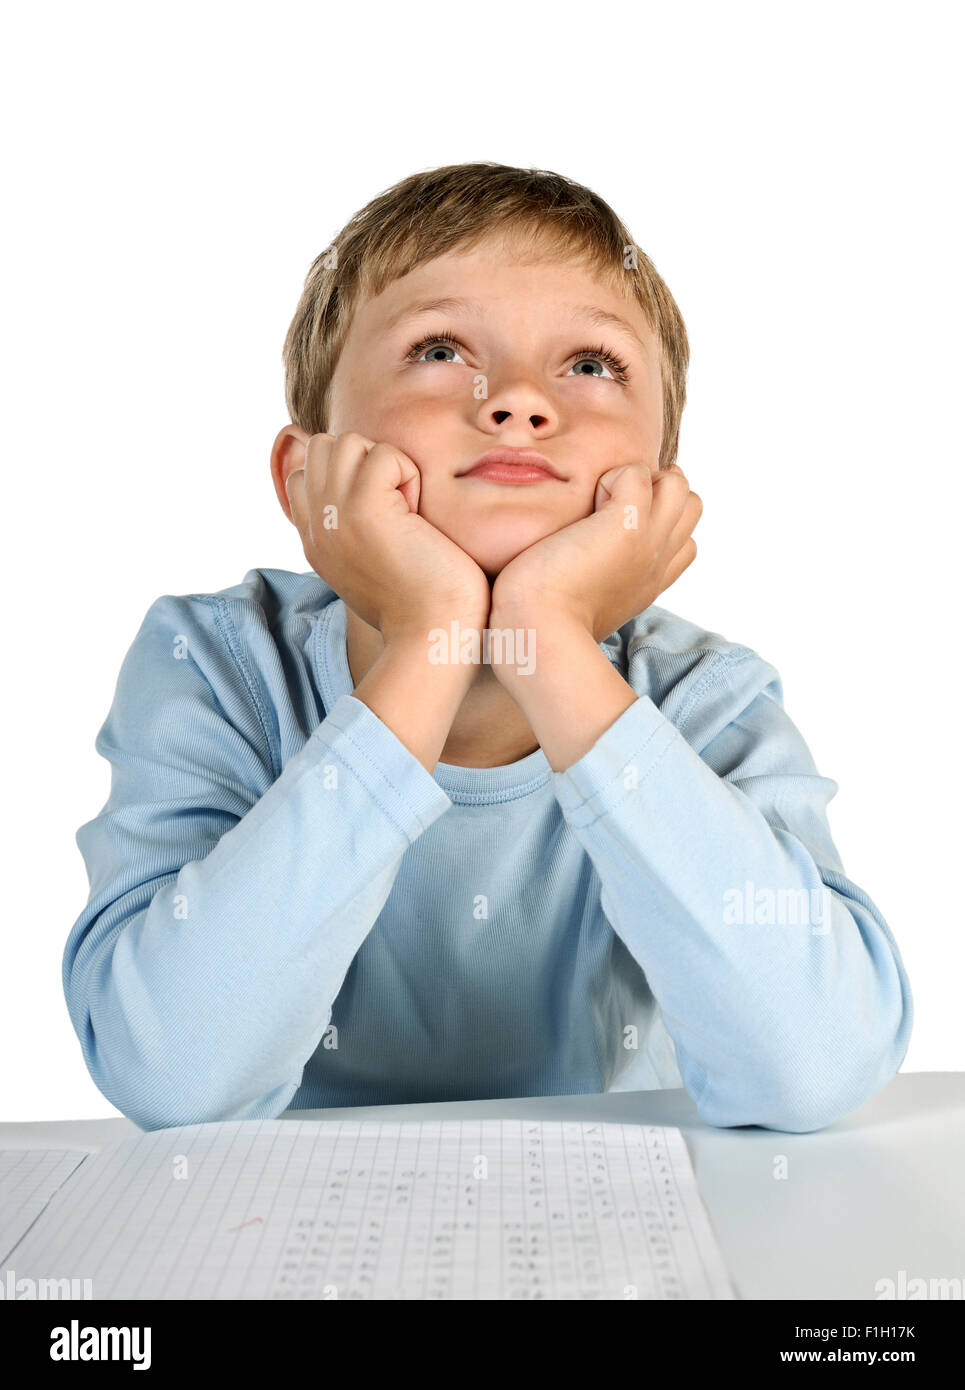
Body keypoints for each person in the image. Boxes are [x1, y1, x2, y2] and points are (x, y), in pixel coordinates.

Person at [63, 162, 913, 1133]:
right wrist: (432, 639)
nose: (513, 399)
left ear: (656, 489)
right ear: (307, 478)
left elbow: (814, 1065)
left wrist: (544, 638)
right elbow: (173, 1074)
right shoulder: (210, 666)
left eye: (588, 364)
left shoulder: (700, 699)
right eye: (437, 348)